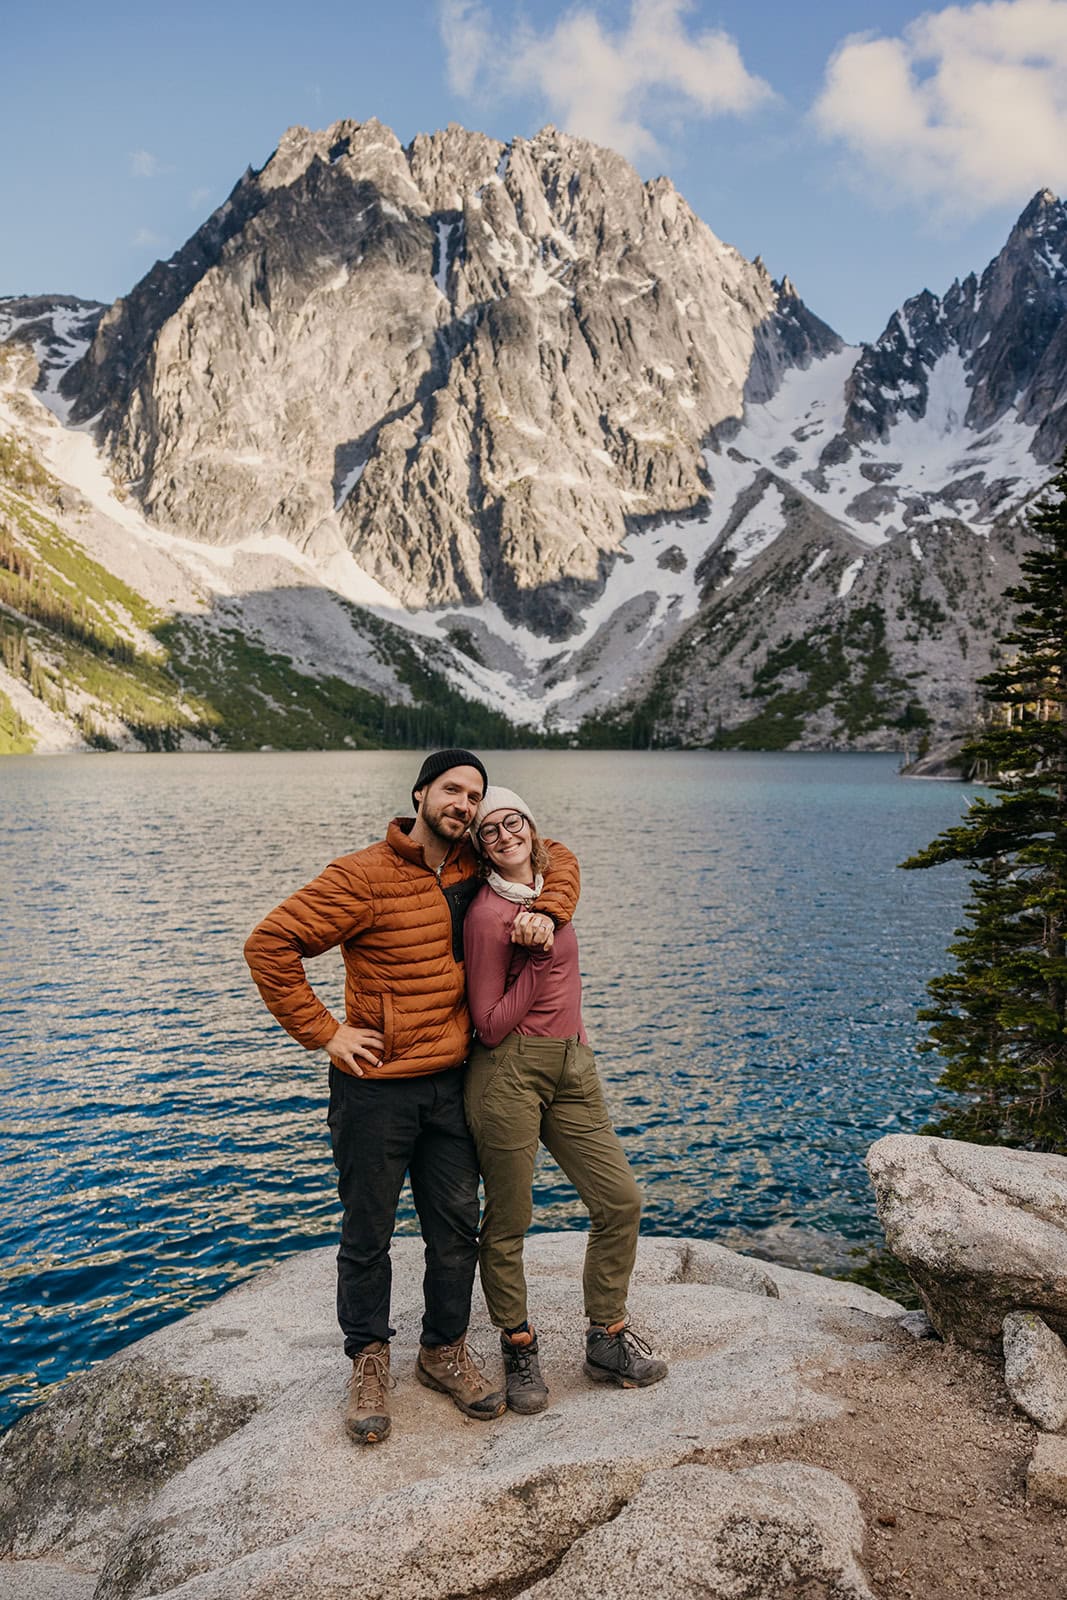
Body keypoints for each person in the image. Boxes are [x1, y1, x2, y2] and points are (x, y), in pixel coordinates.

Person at [243, 750, 580, 1446]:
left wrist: (546, 909)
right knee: (368, 1230)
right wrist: (325, 1033)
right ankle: (368, 1359)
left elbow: (560, 855)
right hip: (374, 1089)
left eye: (474, 796)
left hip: (452, 1081)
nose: (463, 804)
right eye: (452, 790)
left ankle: (442, 1349)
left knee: (455, 1230)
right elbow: (269, 943)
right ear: (420, 793)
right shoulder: (361, 875)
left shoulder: (471, 866)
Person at [462, 785, 668, 1414]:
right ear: (480, 846)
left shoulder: (553, 886)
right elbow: (490, 1024)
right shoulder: (486, 918)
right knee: (510, 1218)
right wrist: (537, 966)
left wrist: (577, 1038)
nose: (505, 835)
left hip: (572, 1065)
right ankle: (518, 1342)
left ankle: (606, 1338)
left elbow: (565, 860)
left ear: (530, 824)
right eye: (490, 829)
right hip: (508, 1072)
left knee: (621, 1201)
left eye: (513, 821)